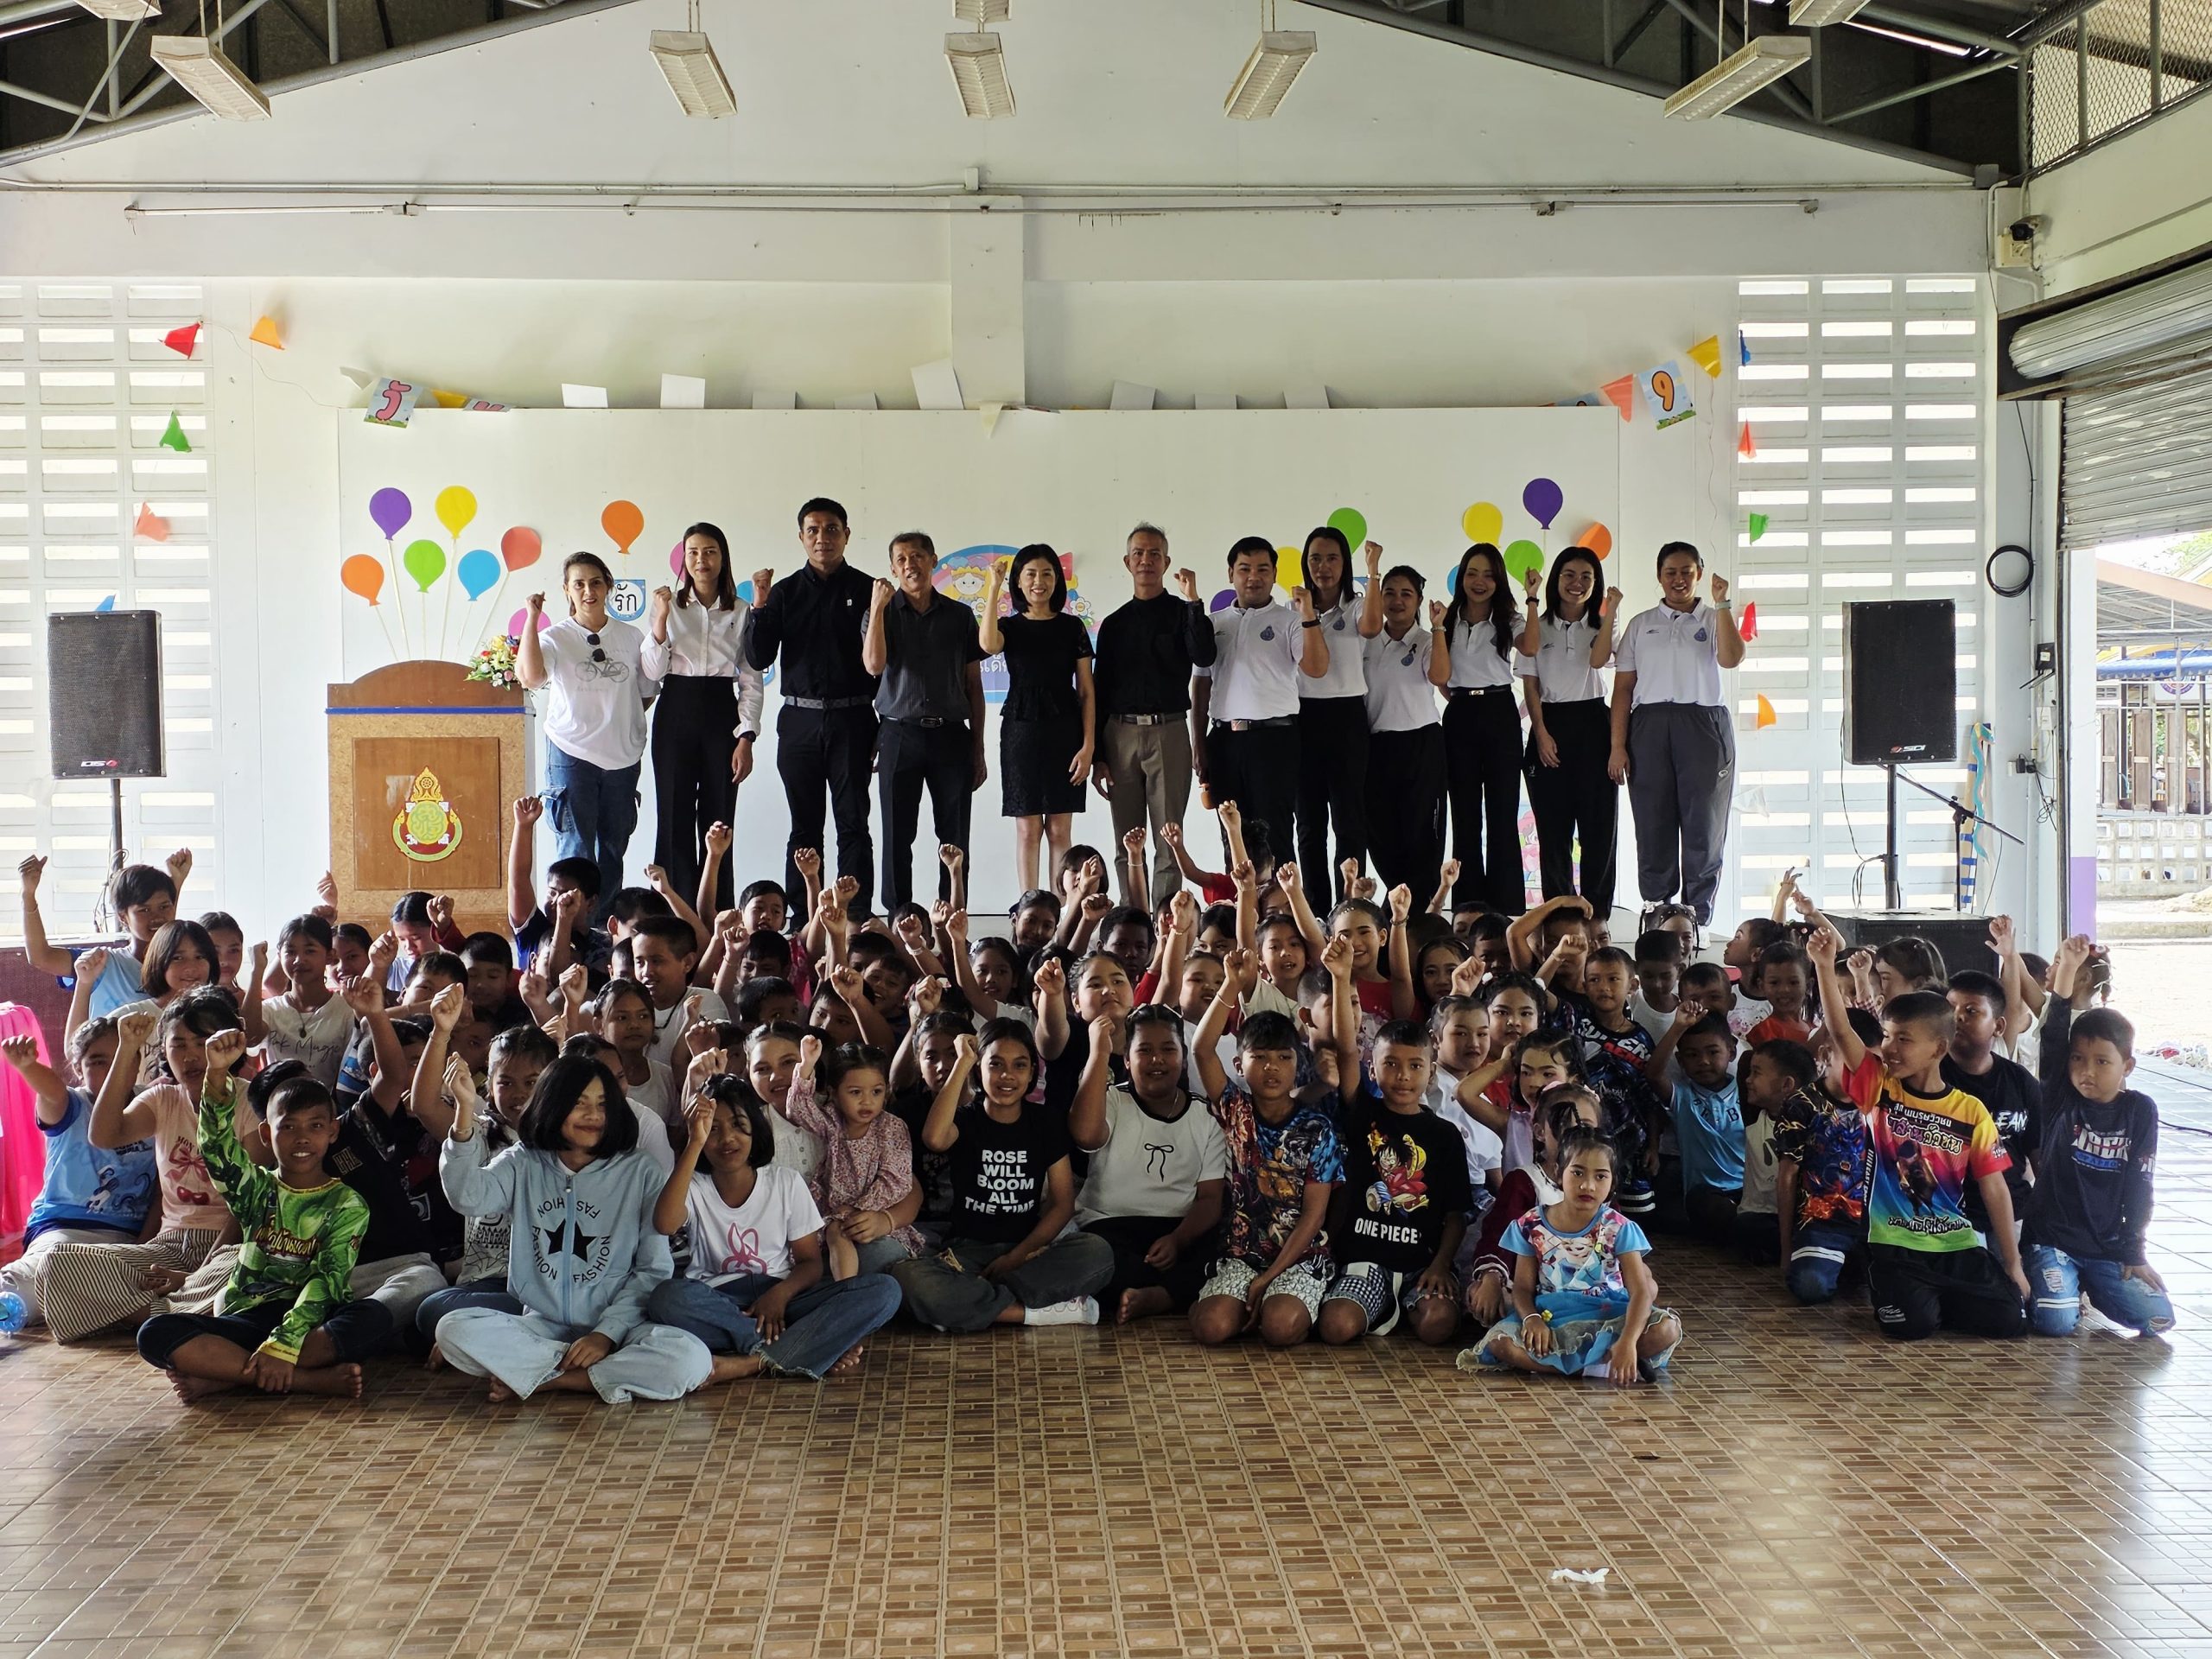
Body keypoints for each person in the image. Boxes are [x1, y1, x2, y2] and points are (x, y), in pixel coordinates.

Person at [435, 1046, 714, 1402]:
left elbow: (652, 1269)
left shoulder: (641, 1170)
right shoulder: (524, 1161)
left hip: (621, 1329)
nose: (593, 1115)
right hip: (542, 1327)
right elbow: (468, 1197)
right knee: (452, 1329)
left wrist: (606, 1335)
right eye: (580, 1103)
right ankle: (590, 1371)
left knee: (690, 1358)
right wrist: (463, 1113)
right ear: (552, 1104)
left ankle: (554, 1379)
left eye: (603, 1104)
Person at [135, 1033, 390, 1403]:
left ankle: (228, 1375)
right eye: (288, 1126)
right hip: (247, 1316)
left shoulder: (347, 1204)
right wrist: (217, 1075)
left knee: (373, 1317)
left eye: (316, 1126)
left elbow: (327, 1281)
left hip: (309, 1322)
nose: (302, 1138)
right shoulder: (254, 1188)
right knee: (154, 1332)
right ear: (267, 1134)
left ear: (333, 1131)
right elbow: (217, 1150)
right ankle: (305, 1380)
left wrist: (284, 1343)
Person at [1807, 926, 2030, 1339]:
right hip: (1895, 1244)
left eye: (1904, 1039)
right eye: (1887, 1037)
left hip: (1955, 1242)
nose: (1890, 1048)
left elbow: (1995, 1188)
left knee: (2009, 1320)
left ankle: (1939, 1298)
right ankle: (1924, 1301)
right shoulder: (1878, 1089)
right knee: (1911, 1326)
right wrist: (1823, 967)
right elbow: (1841, 1032)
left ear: (1939, 1049)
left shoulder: (1970, 1111)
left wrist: (2013, 1265)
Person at [645, 1073, 904, 1382]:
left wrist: (780, 1294)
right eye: (713, 1129)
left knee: (885, 1291)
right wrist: (694, 1142)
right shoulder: (694, 1186)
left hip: (785, 1299)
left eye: (739, 1125)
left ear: (756, 1128)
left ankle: (754, 1361)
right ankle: (794, 1346)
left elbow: (809, 1263)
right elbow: (665, 1223)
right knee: (666, 1299)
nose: (727, 1139)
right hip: (720, 1304)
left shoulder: (785, 1182)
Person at [888, 1021, 1115, 1331]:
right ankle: (1031, 1312)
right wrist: (963, 1062)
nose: (1007, 1075)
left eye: (1019, 1065)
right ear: (979, 1069)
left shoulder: (1045, 1122)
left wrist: (1016, 1257)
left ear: (1032, 1072)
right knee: (907, 1278)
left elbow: (1062, 1204)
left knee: (1097, 1252)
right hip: (967, 1252)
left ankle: (969, 1305)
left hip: (1029, 1251)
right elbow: (935, 1139)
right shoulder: (965, 1119)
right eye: (995, 1064)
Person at [2021, 936, 2172, 1338]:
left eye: (2102, 1062)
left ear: (2128, 1066)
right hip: (2052, 1240)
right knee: (2055, 1323)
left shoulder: (2140, 1110)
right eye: (2078, 1059)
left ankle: (2094, 1286)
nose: (2087, 1071)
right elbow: (2054, 1033)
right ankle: (2062, 1287)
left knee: (2158, 1318)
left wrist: (2133, 1252)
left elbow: (2140, 1185)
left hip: (2105, 1245)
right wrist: (2068, 969)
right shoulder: (2060, 1096)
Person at [1459, 1124, 1681, 1385]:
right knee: (1501, 1343)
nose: (1588, 1185)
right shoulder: (1531, 1225)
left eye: (1601, 1176)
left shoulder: (1619, 1227)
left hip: (1609, 1315)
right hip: (1552, 1318)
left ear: (1612, 1182)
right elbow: (1522, 1288)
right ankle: (1599, 1367)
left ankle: (1597, 1358)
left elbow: (1641, 1292)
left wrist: (1628, 1341)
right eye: (1577, 1173)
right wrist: (1531, 1319)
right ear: (1558, 1172)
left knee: (1667, 1329)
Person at [746, 497, 882, 916]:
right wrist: (760, 605)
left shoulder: (868, 590)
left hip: (854, 717)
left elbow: (883, 664)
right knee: (804, 826)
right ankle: (804, 920)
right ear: (802, 537)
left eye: (831, 529)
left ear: (846, 535)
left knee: (853, 823)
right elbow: (758, 657)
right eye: (813, 530)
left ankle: (855, 916)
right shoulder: (784, 592)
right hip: (799, 719)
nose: (823, 538)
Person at [1607, 542, 1745, 927]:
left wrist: (1723, 604)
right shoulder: (1641, 624)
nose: (1679, 579)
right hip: (1648, 726)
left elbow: (1731, 658)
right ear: (1659, 576)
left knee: (1704, 826)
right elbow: (1623, 689)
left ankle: (1695, 922)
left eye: (1687, 571)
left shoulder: (1713, 617)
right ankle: (1657, 916)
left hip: (1703, 725)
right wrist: (1617, 745)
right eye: (1671, 572)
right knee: (1653, 825)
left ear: (1699, 573)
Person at [516, 552, 659, 918]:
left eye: (595, 582)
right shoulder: (555, 637)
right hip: (571, 755)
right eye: (578, 584)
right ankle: (570, 927)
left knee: (613, 846)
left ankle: (604, 928)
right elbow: (530, 677)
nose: (588, 591)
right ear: (567, 590)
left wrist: (618, 719)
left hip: (622, 758)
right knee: (575, 847)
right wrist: (532, 618)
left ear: (609, 586)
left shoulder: (631, 636)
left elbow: (645, 693)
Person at [1069, 1003, 1228, 1325]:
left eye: (1168, 1050)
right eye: (1144, 1051)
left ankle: (1158, 1296)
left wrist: (1178, 1240)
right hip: (1109, 1228)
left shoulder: (1206, 1116)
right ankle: (1171, 1294)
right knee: (1090, 1257)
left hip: (1179, 1229)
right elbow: (1085, 1136)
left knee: (1224, 1248)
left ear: (1183, 1057)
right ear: (1127, 1060)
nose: (1157, 1059)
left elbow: (1210, 1199)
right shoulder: (1111, 1100)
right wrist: (1099, 1053)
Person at [1316, 1019, 1471, 1347]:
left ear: (1431, 1073)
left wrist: (1441, 1265)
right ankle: (1381, 1304)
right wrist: (1342, 987)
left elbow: (1457, 1214)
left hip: (1422, 1265)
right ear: (1372, 1070)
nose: (1403, 1075)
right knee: (1336, 1326)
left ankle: (1403, 1306)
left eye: (1415, 1066)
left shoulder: (1446, 1136)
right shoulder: (1363, 1114)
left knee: (1438, 1325)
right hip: (1365, 1261)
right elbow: (1347, 1050)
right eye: (1391, 1064)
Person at [642, 522, 765, 913]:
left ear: (722, 557)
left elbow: (751, 679)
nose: (701, 560)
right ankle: (673, 912)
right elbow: (652, 671)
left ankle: (718, 912)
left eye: (709, 551)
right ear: (684, 558)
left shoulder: (741, 610)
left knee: (719, 817)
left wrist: (746, 737)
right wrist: (660, 619)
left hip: (721, 712)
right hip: (675, 708)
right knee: (673, 813)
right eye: (693, 552)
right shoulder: (668, 605)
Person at [0, 1020, 154, 1332]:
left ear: (136, 1061)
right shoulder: (72, 1105)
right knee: (22, 1285)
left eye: (121, 1057)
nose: (110, 1070)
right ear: (77, 1068)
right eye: (97, 1062)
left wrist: (144, 1244)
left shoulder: (153, 1104)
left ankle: (73, 1302)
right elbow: (52, 1092)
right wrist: (29, 1067)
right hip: (64, 1232)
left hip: (128, 1238)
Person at [1091, 524, 1217, 906]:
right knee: (1126, 840)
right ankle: (1130, 920)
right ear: (1127, 562)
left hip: (1169, 731)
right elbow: (1100, 689)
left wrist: (1194, 601)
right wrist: (1098, 755)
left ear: (1166, 562)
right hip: (1120, 734)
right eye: (1139, 554)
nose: (1146, 560)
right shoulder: (1114, 624)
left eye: (1154, 554)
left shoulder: (1183, 613)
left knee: (1168, 837)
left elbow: (1205, 655)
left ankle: (1165, 921)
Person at [863, 531, 987, 908]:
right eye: (901, 560)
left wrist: (978, 748)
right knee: (896, 834)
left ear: (933, 561)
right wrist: (878, 607)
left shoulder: (959, 616)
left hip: (951, 737)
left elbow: (973, 685)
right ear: (892, 569)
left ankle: (952, 914)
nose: (910, 565)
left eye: (917, 556)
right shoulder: (880, 612)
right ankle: (898, 917)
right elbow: (873, 665)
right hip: (899, 734)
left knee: (955, 835)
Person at [1192, 537, 1325, 873]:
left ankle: (1284, 904)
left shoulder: (1290, 620)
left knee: (1275, 832)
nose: (1254, 577)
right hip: (1223, 740)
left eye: (1263, 569)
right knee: (1231, 836)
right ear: (1230, 574)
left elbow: (1316, 668)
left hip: (1274, 740)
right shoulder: (1213, 622)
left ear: (1275, 574)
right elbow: (1201, 685)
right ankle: (1241, 904)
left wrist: (1308, 615)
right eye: (1245, 569)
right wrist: (1198, 744)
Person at [980, 543, 1096, 895]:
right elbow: (987, 644)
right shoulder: (1010, 627)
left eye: (1047, 574)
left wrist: (1089, 746)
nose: (1039, 581)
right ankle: (1028, 907)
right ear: (1018, 581)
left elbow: (1087, 691)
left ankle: (1061, 908)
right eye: (1030, 574)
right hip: (1021, 733)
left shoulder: (1073, 627)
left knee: (1060, 830)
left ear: (1057, 580)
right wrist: (993, 588)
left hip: (1065, 733)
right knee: (1028, 830)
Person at [1516, 547, 1618, 919]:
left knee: (1599, 828)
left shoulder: (1603, 625)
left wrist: (1611, 613)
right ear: (1556, 580)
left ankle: (1597, 915)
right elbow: (1531, 686)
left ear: (1596, 583)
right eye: (1569, 575)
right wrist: (1541, 732)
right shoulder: (1537, 627)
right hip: (1550, 724)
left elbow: (1604, 662)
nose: (1577, 583)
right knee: (1553, 829)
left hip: (1595, 723)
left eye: (1586, 577)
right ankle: (1559, 915)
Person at [1293, 529, 1385, 905]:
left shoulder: (1357, 605)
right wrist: (1306, 612)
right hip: (1303, 717)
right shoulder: (1294, 608)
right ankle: (1315, 909)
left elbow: (1373, 627)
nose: (1323, 567)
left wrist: (1373, 569)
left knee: (1349, 820)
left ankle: (1350, 907)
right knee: (1309, 823)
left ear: (1345, 564)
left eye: (1332, 558)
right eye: (1315, 558)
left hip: (1347, 717)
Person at [1440, 543, 1525, 915]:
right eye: (1472, 573)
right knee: (1465, 813)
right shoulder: (1447, 619)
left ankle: (1507, 907)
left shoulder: (1509, 619)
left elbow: (1531, 647)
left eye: (1489, 575)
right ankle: (1468, 905)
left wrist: (1533, 599)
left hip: (1500, 710)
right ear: (1462, 577)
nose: (1480, 581)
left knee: (1503, 812)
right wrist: (1460, 698)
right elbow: (1440, 676)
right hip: (1460, 713)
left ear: (1499, 581)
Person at [1362, 567, 1451, 901]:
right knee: (1381, 833)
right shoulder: (1366, 640)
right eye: (1390, 593)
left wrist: (1438, 627)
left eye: (1406, 594)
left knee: (1423, 834)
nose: (1397, 601)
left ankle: (1421, 912)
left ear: (1418, 600)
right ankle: (1397, 900)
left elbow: (1440, 676)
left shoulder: (1427, 640)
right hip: (1378, 746)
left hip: (1421, 744)